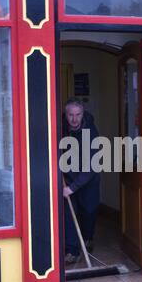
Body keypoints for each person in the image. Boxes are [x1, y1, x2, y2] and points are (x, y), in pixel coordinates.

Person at [62, 98, 100, 264]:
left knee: (89, 212)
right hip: (67, 178)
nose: (74, 119)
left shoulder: (91, 132)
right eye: (71, 115)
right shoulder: (60, 127)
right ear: (66, 115)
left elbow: (92, 164)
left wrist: (74, 187)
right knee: (70, 214)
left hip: (88, 179)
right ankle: (72, 250)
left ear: (83, 114)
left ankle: (88, 238)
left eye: (78, 115)